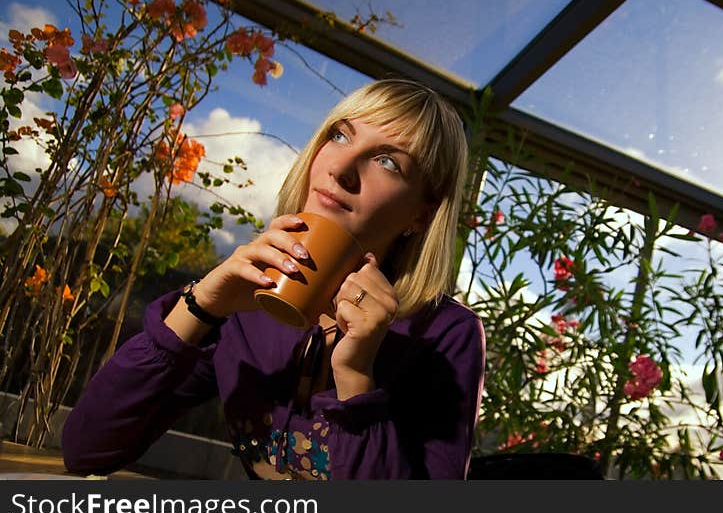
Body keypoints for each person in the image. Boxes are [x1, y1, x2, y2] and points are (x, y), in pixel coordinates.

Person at [62, 78, 486, 480]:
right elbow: (88, 449)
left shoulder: (447, 335)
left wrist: (357, 379)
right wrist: (201, 306)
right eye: (339, 136)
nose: (340, 167)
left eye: (387, 161)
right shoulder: (246, 301)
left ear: (422, 213)